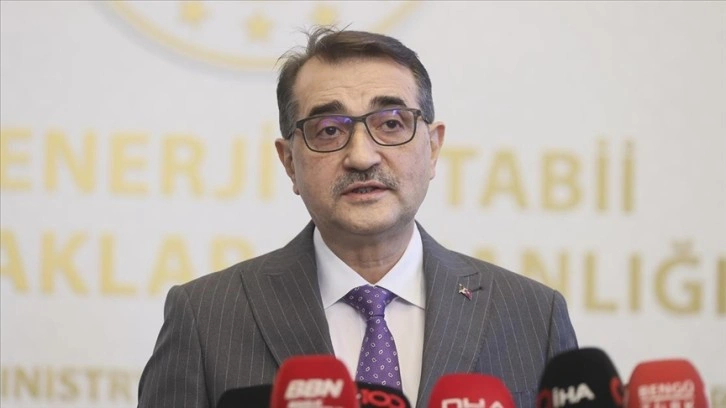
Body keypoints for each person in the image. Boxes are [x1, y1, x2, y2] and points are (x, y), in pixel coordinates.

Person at [137, 26, 577, 408]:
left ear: (433, 148)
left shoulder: (533, 316)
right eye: (329, 130)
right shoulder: (206, 317)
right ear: (289, 162)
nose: (362, 156)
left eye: (391, 124)